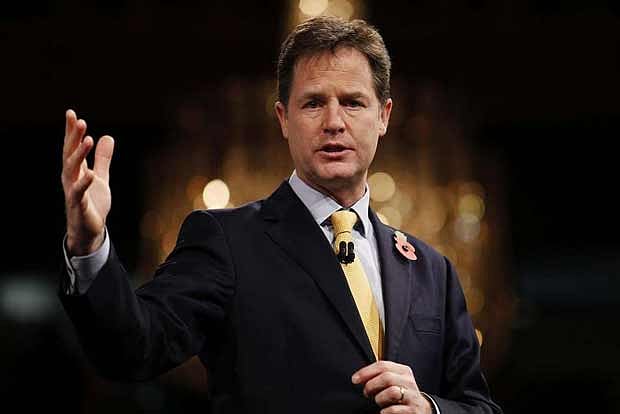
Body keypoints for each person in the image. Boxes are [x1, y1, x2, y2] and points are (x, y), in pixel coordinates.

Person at [60, 16, 503, 414]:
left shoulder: (431, 270)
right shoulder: (227, 242)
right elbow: (134, 348)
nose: (334, 121)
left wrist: (430, 408)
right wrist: (89, 246)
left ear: (384, 116)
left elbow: (478, 405)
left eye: (353, 102)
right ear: (283, 118)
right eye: (313, 103)